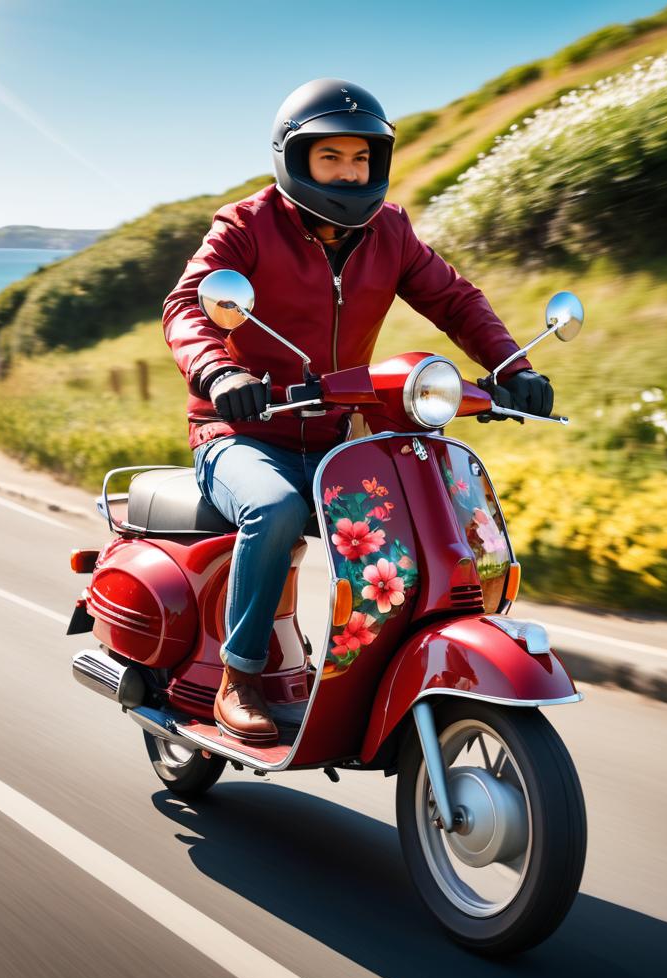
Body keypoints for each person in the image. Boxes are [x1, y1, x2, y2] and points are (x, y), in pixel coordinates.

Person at [163, 78, 553, 746]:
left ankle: (380, 669)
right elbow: (189, 303)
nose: (349, 172)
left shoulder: (390, 231)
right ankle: (241, 676)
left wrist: (513, 365)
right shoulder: (246, 225)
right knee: (277, 510)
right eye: (331, 158)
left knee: (410, 518)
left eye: (361, 159)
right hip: (242, 432)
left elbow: (455, 299)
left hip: (339, 436)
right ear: (296, 158)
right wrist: (220, 371)